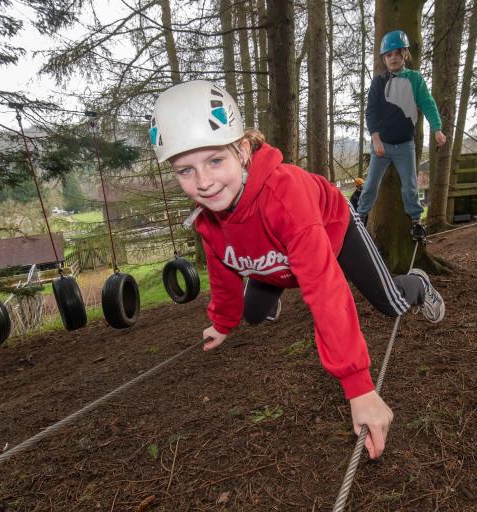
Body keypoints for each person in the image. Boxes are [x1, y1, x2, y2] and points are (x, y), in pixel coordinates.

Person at [149, 80, 446, 460]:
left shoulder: (284, 194)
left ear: (242, 151)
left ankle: (417, 286)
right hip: (276, 259)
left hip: (333, 232)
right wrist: (222, 322)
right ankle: (264, 294)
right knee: (252, 315)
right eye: (185, 171)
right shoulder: (208, 220)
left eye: (214, 161)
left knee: (391, 304)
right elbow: (221, 268)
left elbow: (324, 289)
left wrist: (358, 387)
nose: (203, 182)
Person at [357, 29, 447, 240]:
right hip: (382, 144)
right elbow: (371, 111)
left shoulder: (415, 79)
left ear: (405, 54)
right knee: (370, 185)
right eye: (389, 55)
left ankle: (416, 222)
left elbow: (427, 103)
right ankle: (360, 218)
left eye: (397, 53)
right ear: (384, 58)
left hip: (405, 144)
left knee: (410, 186)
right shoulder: (379, 82)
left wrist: (437, 128)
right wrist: (375, 138)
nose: (393, 58)